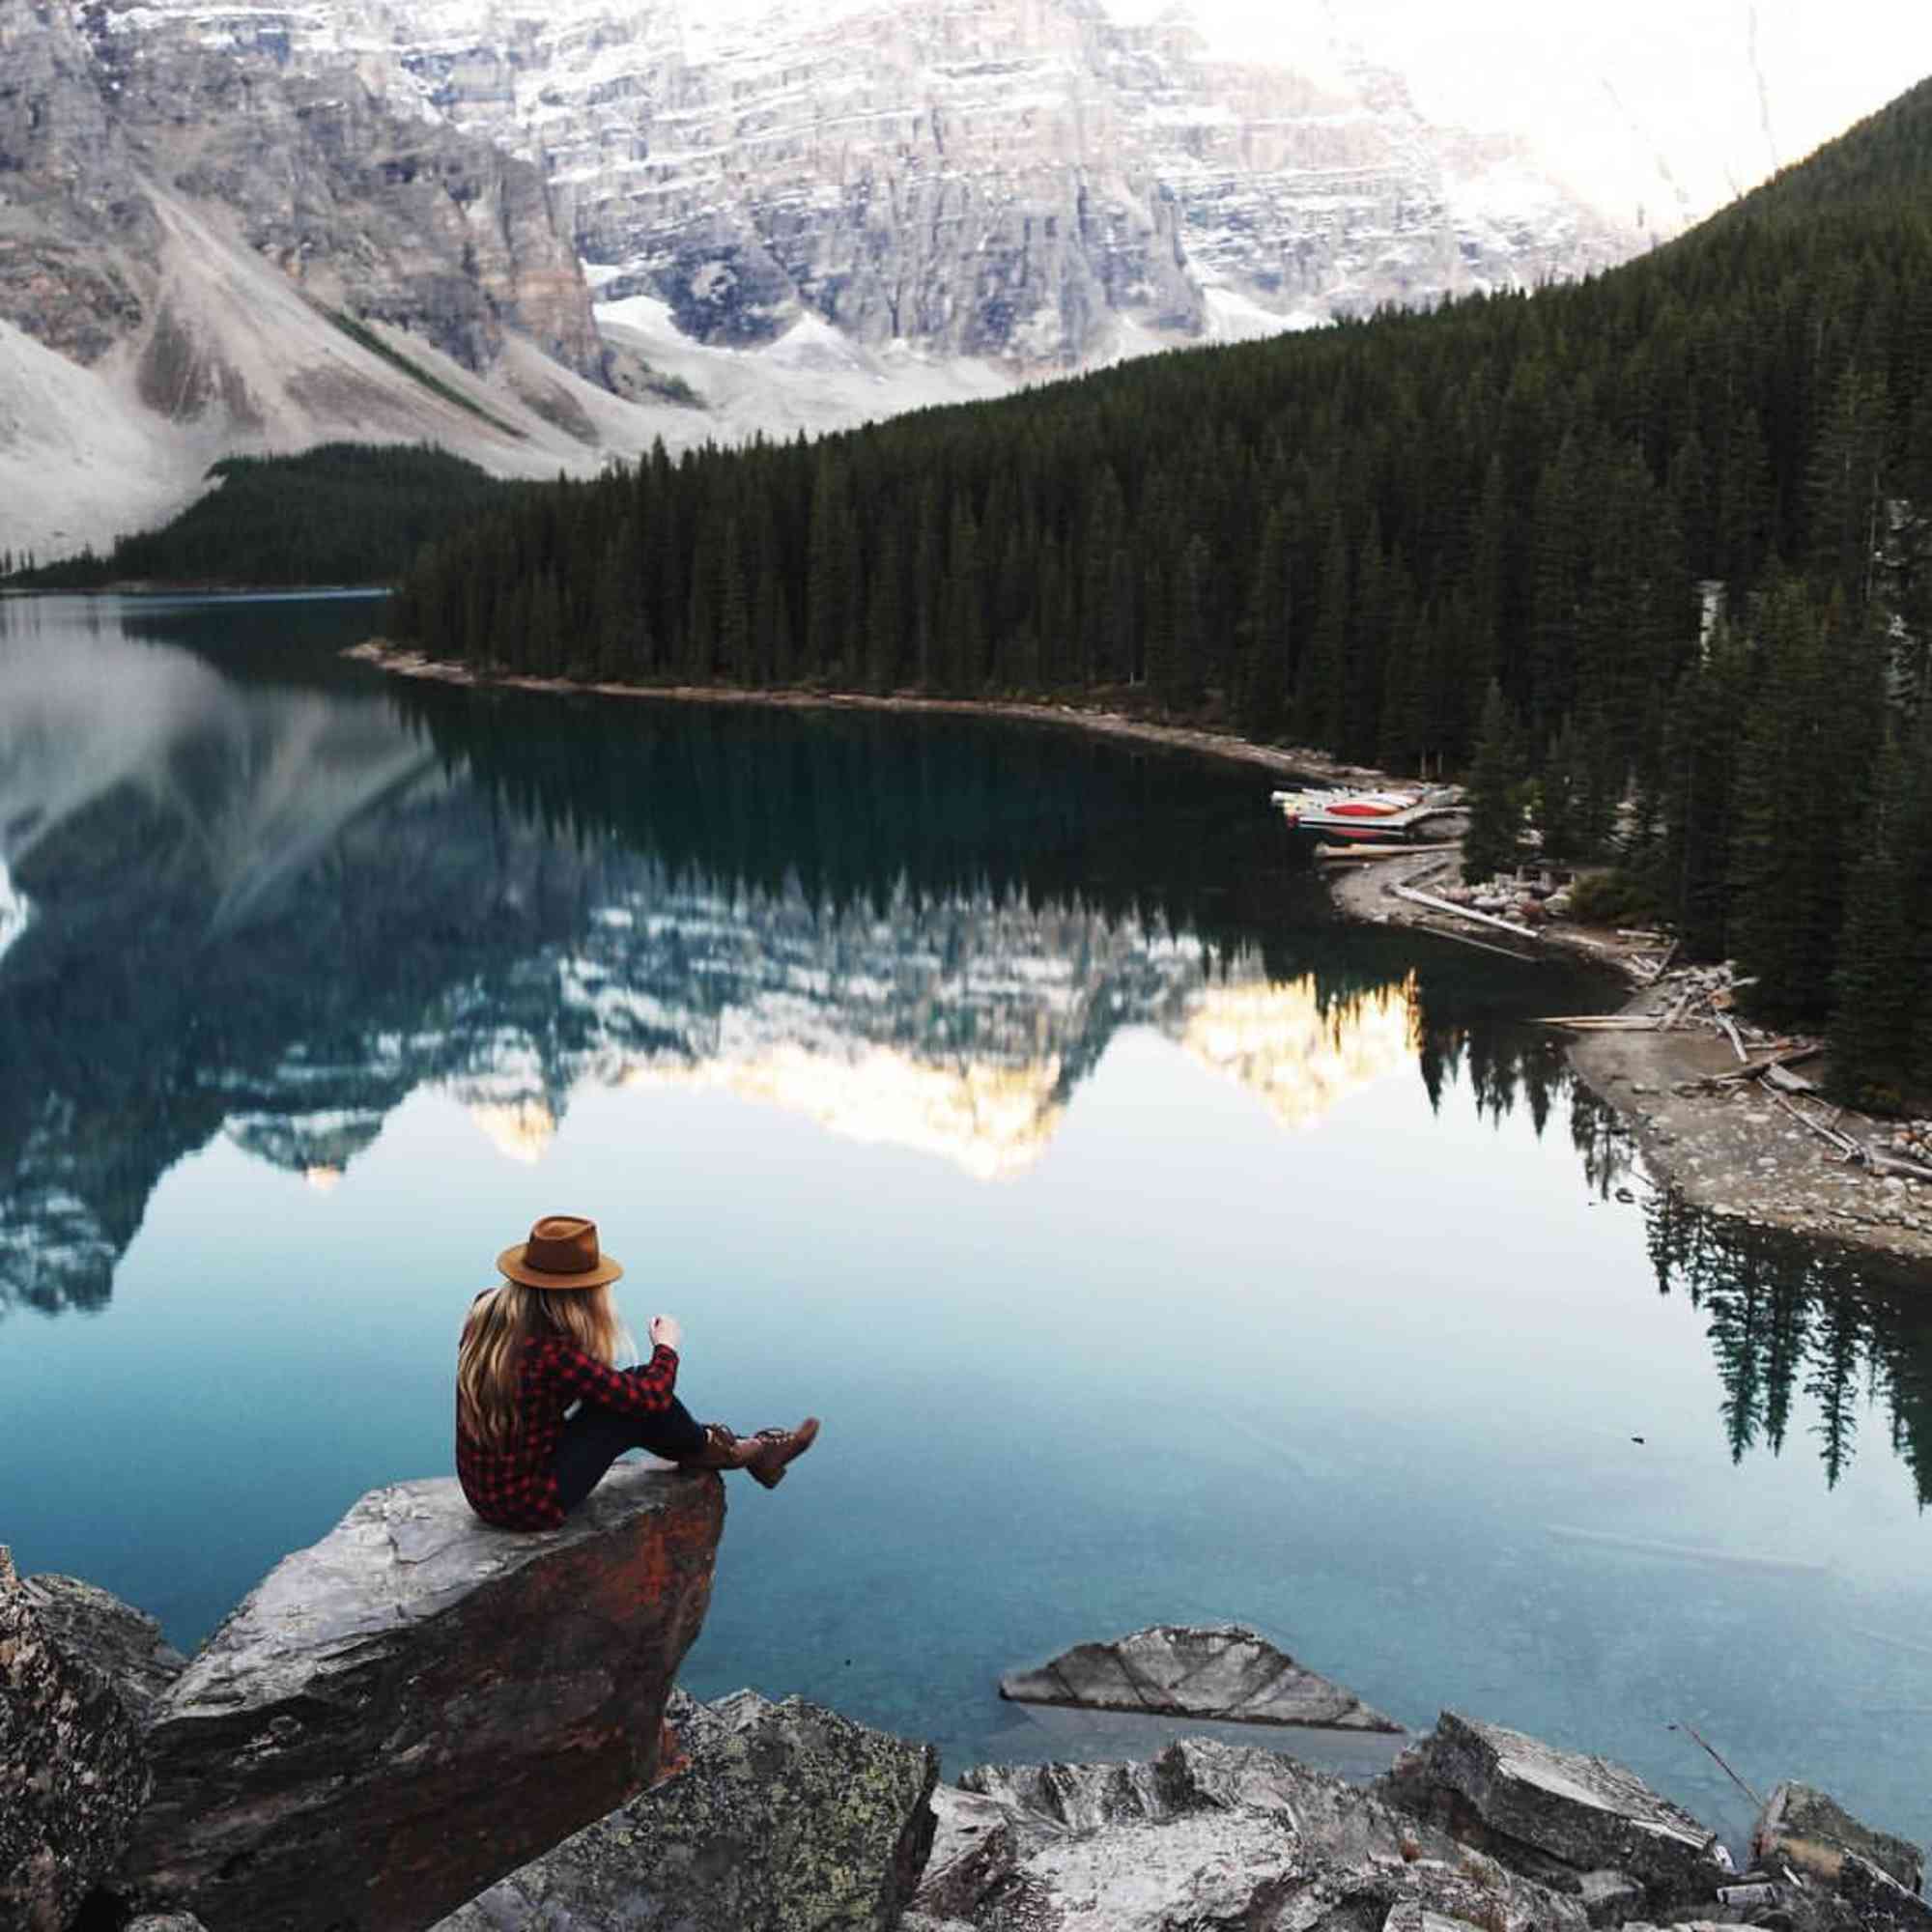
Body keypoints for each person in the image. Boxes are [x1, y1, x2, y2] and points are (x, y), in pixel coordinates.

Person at [456, 1213, 819, 1531]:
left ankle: (733, 1450)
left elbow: (605, 1387)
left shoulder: (487, 1313)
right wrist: (667, 1347)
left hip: (484, 1492)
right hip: (531, 1504)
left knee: (632, 1383)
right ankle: (741, 1453)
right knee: (636, 1403)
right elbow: (651, 1399)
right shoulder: (553, 1353)